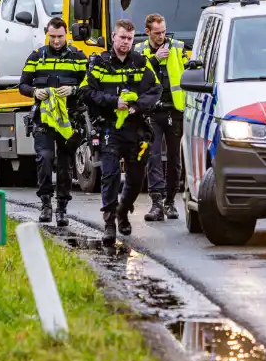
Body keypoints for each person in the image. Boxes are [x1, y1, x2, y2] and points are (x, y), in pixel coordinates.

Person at [78, 19, 161, 242]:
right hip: (109, 128)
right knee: (110, 175)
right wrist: (113, 101)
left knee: (135, 179)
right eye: (122, 37)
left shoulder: (141, 62)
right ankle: (109, 224)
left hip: (136, 130)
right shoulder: (100, 63)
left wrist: (137, 106)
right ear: (113, 37)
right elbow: (85, 91)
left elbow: (156, 89)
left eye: (129, 38)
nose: (125, 42)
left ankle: (123, 211)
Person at [18, 16, 88, 227]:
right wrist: (35, 91)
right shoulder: (37, 56)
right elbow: (22, 85)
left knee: (65, 165)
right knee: (45, 158)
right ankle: (46, 203)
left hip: (69, 119)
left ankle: (62, 209)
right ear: (47, 35)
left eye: (59, 36)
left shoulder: (78, 57)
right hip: (44, 118)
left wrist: (74, 90)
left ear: (66, 35)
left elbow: (91, 85)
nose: (56, 41)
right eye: (52, 36)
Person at [134, 13, 192, 222]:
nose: (161, 36)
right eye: (157, 33)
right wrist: (154, 59)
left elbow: (189, 72)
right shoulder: (139, 50)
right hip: (151, 112)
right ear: (148, 32)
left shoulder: (177, 47)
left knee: (175, 158)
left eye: (163, 32)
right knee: (154, 156)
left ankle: (170, 202)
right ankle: (156, 203)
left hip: (174, 110)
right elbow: (135, 74)